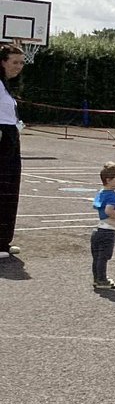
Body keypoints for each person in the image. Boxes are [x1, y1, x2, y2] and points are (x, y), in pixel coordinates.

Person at [0, 43, 25, 259]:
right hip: (1, 137)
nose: (19, 66)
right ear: (2, 62)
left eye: (22, 62)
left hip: (10, 136)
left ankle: (2, 241)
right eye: (15, 62)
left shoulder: (6, 86)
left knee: (9, 189)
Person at [90, 162, 115, 290]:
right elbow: (108, 211)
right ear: (108, 180)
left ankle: (97, 278)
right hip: (107, 231)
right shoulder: (112, 196)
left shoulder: (102, 192)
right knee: (103, 257)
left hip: (99, 230)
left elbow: (96, 205)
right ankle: (102, 280)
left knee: (97, 257)